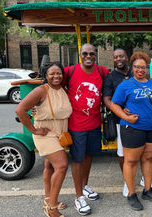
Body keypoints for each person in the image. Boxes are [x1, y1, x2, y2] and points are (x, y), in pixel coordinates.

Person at [16, 62, 72, 217]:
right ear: (45, 75)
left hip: (60, 133)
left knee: (50, 166)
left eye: (59, 73)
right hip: (45, 134)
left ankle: (48, 199)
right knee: (61, 165)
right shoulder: (41, 90)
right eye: (52, 73)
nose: (56, 76)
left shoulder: (63, 89)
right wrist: (33, 129)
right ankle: (52, 208)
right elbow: (20, 110)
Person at [110, 52, 152, 211]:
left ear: (147, 68)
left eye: (143, 67)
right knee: (131, 161)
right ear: (132, 68)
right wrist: (125, 117)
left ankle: (147, 190)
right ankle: (131, 194)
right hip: (132, 128)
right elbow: (114, 105)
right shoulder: (126, 85)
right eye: (137, 67)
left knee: (148, 159)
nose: (140, 70)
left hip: (151, 128)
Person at [63, 43, 109, 215]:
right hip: (76, 124)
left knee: (88, 156)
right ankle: (78, 196)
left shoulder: (101, 71)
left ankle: (84, 186)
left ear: (95, 55)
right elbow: (53, 86)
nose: (88, 56)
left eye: (92, 53)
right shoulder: (70, 71)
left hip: (95, 123)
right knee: (77, 159)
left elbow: (113, 84)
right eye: (85, 53)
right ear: (80, 55)